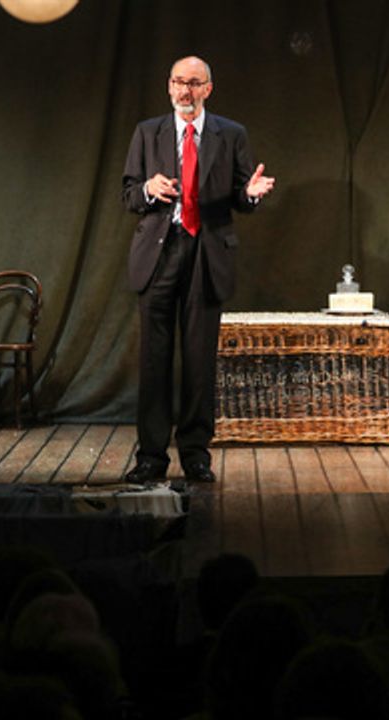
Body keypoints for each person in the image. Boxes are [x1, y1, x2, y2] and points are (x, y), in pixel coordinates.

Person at [122, 56, 275, 484]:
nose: (184, 91)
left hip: (207, 253)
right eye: (177, 82)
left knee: (199, 359)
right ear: (168, 86)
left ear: (208, 88)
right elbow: (128, 194)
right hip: (159, 253)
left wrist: (251, 193)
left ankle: (195, 454)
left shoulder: (231, 134)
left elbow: (242, 197)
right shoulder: (147, 132)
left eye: (193, 83)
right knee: (154, 360)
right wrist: (148, 188)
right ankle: (151, 456)